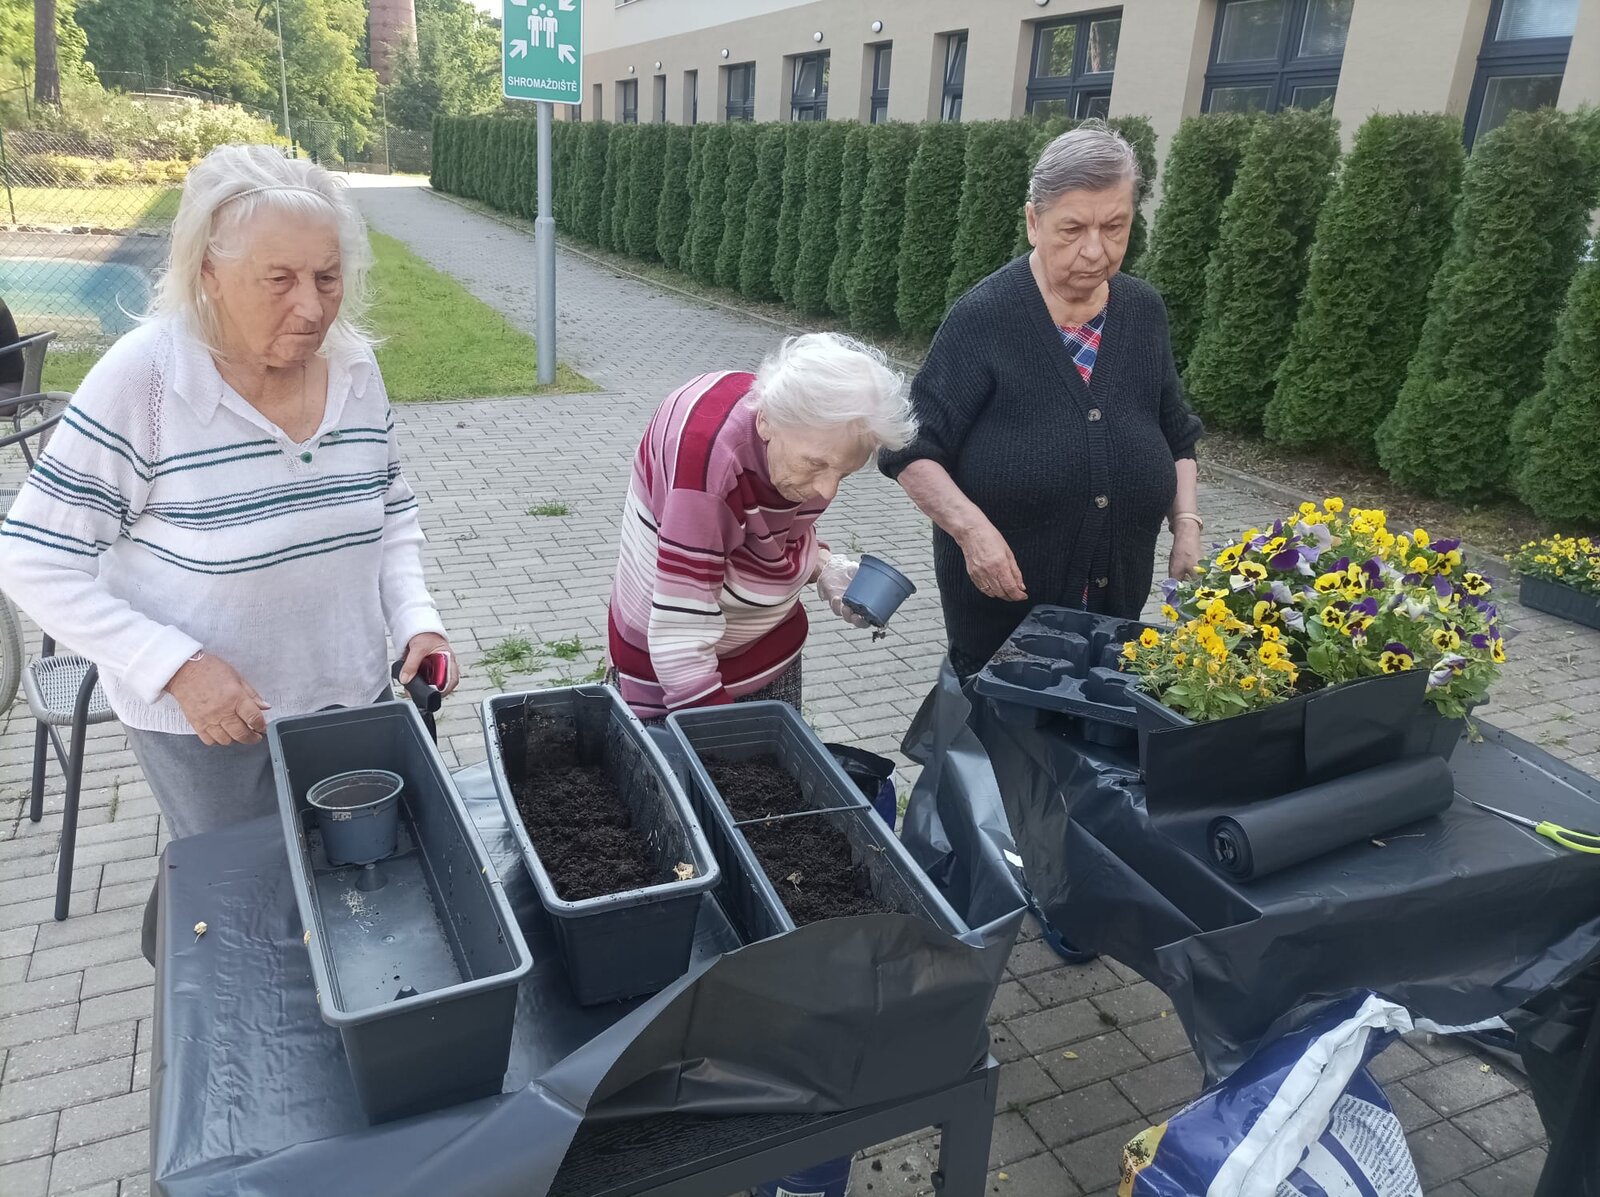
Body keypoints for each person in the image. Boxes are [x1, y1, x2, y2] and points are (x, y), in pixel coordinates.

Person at [0, 145, 458, 937]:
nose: (311, 307)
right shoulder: (145, 382)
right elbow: (32, 557)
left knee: (355, 893)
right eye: (279, 280)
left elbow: (388, 510)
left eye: (328, 277)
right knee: (250, 910)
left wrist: (417, 616)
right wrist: (175, 666)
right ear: (208, 272)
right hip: (213, 729)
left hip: (351, 700)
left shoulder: (354, 370)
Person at [879, 122, 1205, 677]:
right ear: (1034, 221)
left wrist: (1187, 523)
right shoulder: (985, 317)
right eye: (1072, 229)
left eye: (1115, 227)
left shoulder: (1142, 311)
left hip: (1115, 615)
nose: (1096, 250)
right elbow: (909, 448)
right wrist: (973, 533)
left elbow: (1177, 432)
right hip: (1003, 624)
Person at [608, 332, 915, 721]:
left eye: (845, 473)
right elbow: (679, 639)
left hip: (767, 650)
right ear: (765, 421)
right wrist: (724, 739)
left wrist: (823, 566)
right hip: (674, 670)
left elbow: (767, 534)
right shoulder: (706, 471)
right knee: (689, 758)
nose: (827, 491)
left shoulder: (806, 441)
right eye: (816, 465)